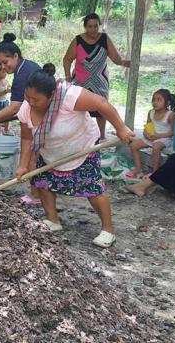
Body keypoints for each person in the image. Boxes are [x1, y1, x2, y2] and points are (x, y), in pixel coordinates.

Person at [15, 69, 134, 248]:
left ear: (51, 95)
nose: (31, 103)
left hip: (82, 148)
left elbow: (101, 103)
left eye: (36, 100)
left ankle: (108, 230)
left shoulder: (69, 96)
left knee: (92, 188)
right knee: (43, 183)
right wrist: (23, 165)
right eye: (28, 97)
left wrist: (121, 128)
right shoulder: (26, 109)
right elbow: (27, 138)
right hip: (51, 153)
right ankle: (52, 220)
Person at [0, 33, 42, 205]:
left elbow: (15, 107)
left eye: (6, 63)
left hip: (42, 116)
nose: (4, 68)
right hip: (38, 113)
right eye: (0, 64)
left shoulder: (22, 75)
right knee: (34, 154)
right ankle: (36, 193)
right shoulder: (27, 66)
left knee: (33, 155)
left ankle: (36, 196)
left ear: (15, 56)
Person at [62, 12, 131, 141]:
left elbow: (115, 57)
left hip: (100, 80)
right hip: (80, 81)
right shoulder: (78, 40)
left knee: (102, 109)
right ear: (85, 27)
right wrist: (67, 76)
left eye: (95, 26)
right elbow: (67, 59)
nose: (93, 29)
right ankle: (80, 135)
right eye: (90, 26)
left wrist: (125, 63)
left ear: (99, 26)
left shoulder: (104, 39)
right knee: (78, 108)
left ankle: (101, 136)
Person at [126, 89, 175, 178]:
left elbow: (172, 132)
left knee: (156, 146)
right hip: (151, 137)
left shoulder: (170, 115)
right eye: (153, 99)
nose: (155, 102)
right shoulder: (151, 112)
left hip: (165, 138)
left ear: (167, 103)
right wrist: (146, 134)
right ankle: (138, 168)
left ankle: (155, 172)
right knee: (133, 145)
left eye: (159, 100)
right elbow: (147, 126)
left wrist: (158, 136)